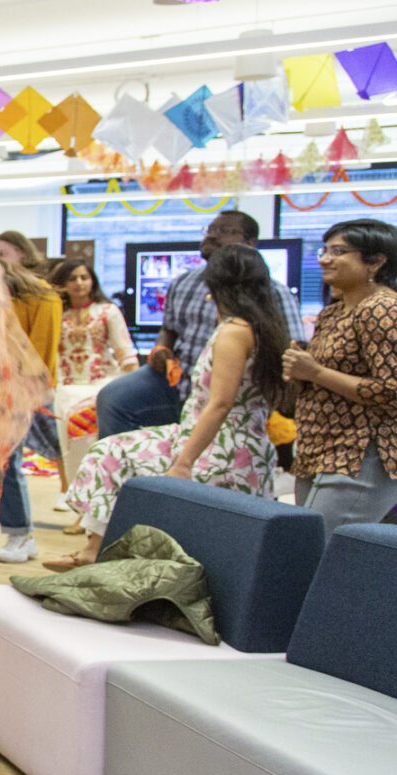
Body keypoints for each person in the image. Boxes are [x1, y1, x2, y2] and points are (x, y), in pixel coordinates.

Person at [56, 244, 289, 569]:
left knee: (111, 455)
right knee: (108, 452)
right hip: (220, 438)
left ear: (215, 284)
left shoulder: (235, 332)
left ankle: (105, 550)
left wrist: (184, 461)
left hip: (222, 447)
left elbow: (220, 404)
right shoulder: (259, 326)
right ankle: (96, 546)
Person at [96, 211, 304, 439]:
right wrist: (161, 350)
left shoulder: (275, 292)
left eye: (224, 231)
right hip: (176, 381)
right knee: (113, 399)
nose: (213, 236)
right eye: (210, 230)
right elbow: (169, 330)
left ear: (250, 243)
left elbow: (292, 351)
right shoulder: (183, 283)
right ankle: (131, 466)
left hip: (233, 392)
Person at [283, 219, 397, 539]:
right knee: (305, 549)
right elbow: (323, 379)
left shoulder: (382, 309)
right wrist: (300, 371)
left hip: (361, 451)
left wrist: (315, 371)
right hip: (318, 446)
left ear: (376, 261)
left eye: (339, 251)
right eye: (325, 250)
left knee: (319, 554)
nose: (324, 259)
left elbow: (390, 390)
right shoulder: (334, 311)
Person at [0, 248, 62, 563]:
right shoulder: (1, 296)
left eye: (1, 252)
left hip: (18, 385)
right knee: (4, 460)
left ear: (23, 254)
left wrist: (25, 389)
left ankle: (19, 533)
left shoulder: (43, 296)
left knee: (8, 462)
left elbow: (41, 348)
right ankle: (18, 531)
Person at [48, 258, 136, 515]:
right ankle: (81, 510)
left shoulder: (107, 311)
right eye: (72, 278)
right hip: (64, 391)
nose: (78, 283)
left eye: (84, 277)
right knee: (69, 450)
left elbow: (125, 351)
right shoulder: (56, 314)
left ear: (93, 281)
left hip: (100, 389)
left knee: (96, 450)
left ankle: (101, 510)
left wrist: (130, 388)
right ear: (62, 284)